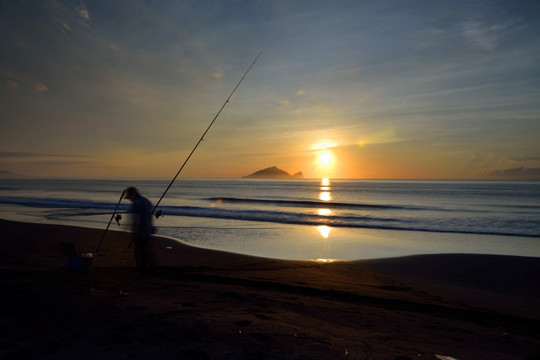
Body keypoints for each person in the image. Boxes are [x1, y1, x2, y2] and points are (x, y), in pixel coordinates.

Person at [124, 186, 154, 275]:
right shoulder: (146, 201)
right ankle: (150, 269)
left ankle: (142, 271)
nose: (130, 200)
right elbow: (149, 216)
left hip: (140, 231)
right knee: (146, 251)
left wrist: (134, 233)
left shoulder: (136, 203)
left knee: (138, 252)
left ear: (132, 195)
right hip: (148, 229)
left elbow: (136, 219)